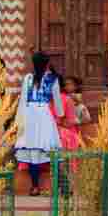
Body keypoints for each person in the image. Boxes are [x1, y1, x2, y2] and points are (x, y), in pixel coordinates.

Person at [14, 51, 66, 195]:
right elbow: (57, 102)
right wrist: (61, 116)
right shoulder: (53, 79)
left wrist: (19, 121)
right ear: (47, 63)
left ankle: (35, 187)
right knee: (52, 149)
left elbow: (23, 101)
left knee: (32, 151)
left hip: (30, 115)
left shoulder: (28, 78)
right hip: (44, 115)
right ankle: (64, 185)